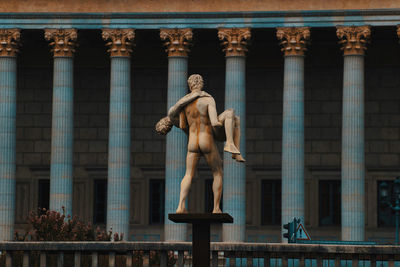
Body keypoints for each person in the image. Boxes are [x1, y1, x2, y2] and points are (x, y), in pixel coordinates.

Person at [155, 74, 244, 213]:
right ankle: (216, 208)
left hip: (192, 142)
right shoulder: (208, 99)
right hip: (206, 139)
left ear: (190, 85)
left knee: (188, 174)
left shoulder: (184, 106)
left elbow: (183, 125)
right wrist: (226, 127)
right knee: (217, 173)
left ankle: (180, 206)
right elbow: (214, 122)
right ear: (201, 84)